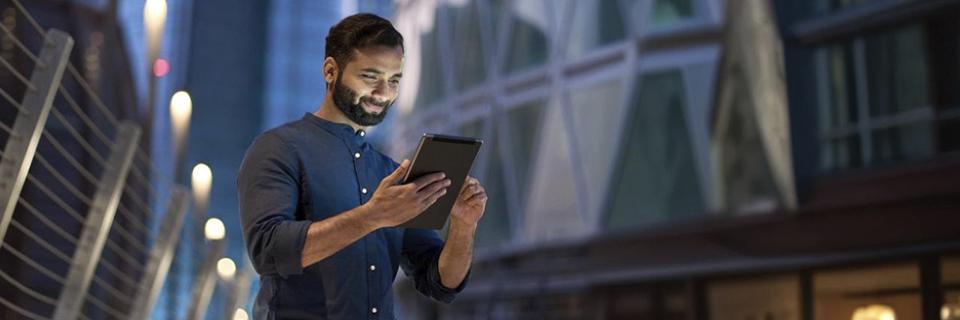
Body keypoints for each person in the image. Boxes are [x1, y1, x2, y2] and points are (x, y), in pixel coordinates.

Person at [237, 13, 487, 319]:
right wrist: (374, 215)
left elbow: (439, 283)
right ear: (330, 70)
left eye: (394, 80)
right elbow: (269, 250)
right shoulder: (279, 148)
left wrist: (463, 226)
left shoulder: (390, 174)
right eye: (370, 77)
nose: (384, 93)